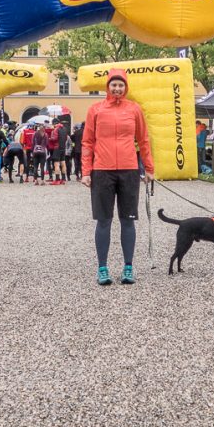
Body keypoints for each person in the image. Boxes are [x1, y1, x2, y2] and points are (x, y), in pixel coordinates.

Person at [82, 69, 155, 286]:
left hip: (129, 170)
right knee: (103, 221)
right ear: (107, 86)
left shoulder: (134, 109)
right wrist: (86, 171)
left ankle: (128, 267)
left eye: (120, 85)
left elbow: (143, 140)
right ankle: (102, 268)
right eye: (113, 85)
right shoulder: (95, 109)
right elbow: (87, 142)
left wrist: (148, 168)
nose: (117, 88)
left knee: (128, 220)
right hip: (102, 171)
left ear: (126, 87)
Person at [50, 118, 69, 184]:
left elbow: (54, 138)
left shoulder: (56, 129)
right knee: (63, 163)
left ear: (54, 123)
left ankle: (57, 180)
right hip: (63, 148)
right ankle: (63, 179)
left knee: (56, 164)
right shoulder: (65, 129)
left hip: (57, 148)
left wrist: (50, 138)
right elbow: (66, 138)